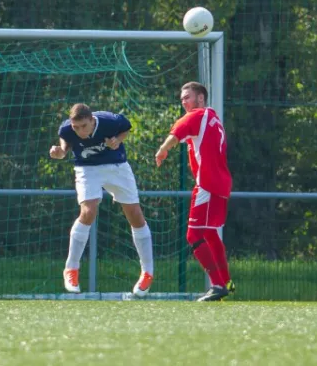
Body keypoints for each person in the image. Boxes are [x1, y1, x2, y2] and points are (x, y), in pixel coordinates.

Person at [50, 103, 154, 296]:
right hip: (87, 169)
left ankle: (147, 271)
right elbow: (65, 143)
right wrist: (61, 152)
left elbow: (126, 128)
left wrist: (117, 140)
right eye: (76, 127)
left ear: (92, 120)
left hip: (117, 166)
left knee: (135, 215)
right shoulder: (66, 128)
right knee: (88, 211)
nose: (80, 131)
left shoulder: (109, 121)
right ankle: (71, 269)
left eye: (84, 126)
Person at [155, 81, 235, 301]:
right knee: (209, 233)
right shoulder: (214, 119)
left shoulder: (198, 115)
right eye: (182, 98)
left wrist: (162, 150)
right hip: (221, 184)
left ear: (200, 98)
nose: (184, 102)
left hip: (207, 185)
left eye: (187, 97)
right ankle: (226, 281)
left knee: (193, 235)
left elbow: (176, 132)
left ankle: (217, 285)